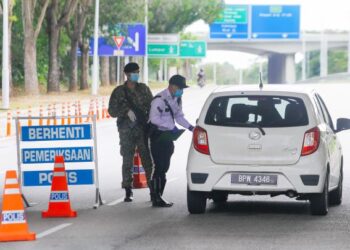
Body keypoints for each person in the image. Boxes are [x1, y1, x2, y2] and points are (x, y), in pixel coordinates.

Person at [108, 62, 154, 202]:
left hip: (142, 130)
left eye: (137, 72)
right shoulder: (118, 92)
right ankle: (128, 190)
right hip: (126, 131)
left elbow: (152, 107)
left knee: (147, 160)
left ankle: (153, 190)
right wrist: (125, 111)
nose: (136, 75)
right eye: (134, 72)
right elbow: (111, 111)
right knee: (127, 160)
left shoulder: (144, 89)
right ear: (127, 75)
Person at [149, 74, 195, 207]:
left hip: (168, 137)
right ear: (172, 86)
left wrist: (191, 127)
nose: (182, 91)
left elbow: (179, 116)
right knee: (159, 167)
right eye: (180, 88)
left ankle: (159, 195)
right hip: (158, 136)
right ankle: (156, 197)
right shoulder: (159, 99)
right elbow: (154, 118)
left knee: (165, 167)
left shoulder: (177, 99)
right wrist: (171, 126)